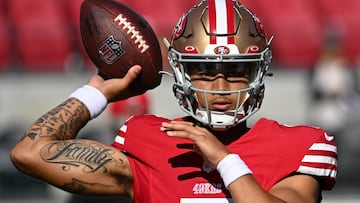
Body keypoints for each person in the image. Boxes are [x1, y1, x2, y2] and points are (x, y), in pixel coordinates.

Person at [10, 0, 337, 202]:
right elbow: (28, 154)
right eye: (204, 72)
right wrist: (98, 91)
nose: (221, 85)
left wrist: (226, 161)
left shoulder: (301, 145)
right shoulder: (149, 141)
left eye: (236, 70)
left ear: (259, 72)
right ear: (181, 74)